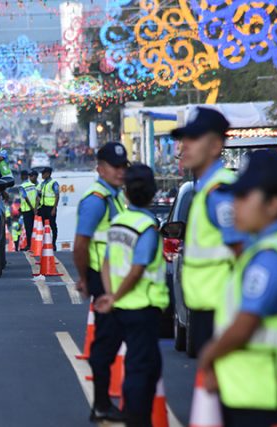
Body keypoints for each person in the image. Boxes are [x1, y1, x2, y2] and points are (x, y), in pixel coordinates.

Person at [198, 150, 277, 427]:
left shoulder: (270, 257)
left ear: (274, 204)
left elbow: (245, 324)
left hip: (263, 399)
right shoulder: (261, 249)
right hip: (253, 393)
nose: (235, 205)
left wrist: (209, 355)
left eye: (244, 197)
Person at [95, 164, 169, 427]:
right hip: (142, 308)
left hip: (119, 309)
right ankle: (137, 420)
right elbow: (137, 270)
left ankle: (128, 413)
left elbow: (106, 263)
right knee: (141, 369)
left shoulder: (118, 223)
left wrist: (110, 295)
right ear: (153, 193)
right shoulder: (147, 226)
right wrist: (115, 296)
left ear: (125, 193)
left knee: (145, 365)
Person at [171, 107, 245, 356]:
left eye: (194, 138)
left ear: (215, 146)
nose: (185, 146)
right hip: (206, 307)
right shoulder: (206, 190)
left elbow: (244, 251)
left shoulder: (219, 193)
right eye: (184, 138)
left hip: (222, 310)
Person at [73, 142, 128, 422]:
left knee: (113, 340)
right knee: (106, 342)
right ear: (100, 168)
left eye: (123, 166)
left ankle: (104, 403)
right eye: (114, 167)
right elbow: (80, 245)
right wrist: (85, 279)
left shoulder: (114, 196)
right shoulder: (96, 200)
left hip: (116, 279)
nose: (120, 171)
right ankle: (102, 404)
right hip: (102, 279)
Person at [38, 167, 59, 250]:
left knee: (52, 225)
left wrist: (54, 208)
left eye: (43, 173)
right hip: (43, 207)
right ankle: (45, 243)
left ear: (48, 174)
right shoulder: (43, 184)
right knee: (43, 226)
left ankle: (53, 243)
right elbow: (39, 194)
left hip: (51, 208)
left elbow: (57, 195)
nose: (42, 175)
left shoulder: (54, 183)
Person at [19, 170, 38, 250]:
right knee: (33, 227)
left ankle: (29, 245)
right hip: (34, 210)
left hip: (27, 210)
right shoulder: (33, 185)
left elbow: (25, 198)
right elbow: (37, 198)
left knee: (28, 228)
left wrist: (31, 208)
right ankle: (33, 244)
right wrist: (35, 209)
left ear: (23, 176)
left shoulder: (22, 186)